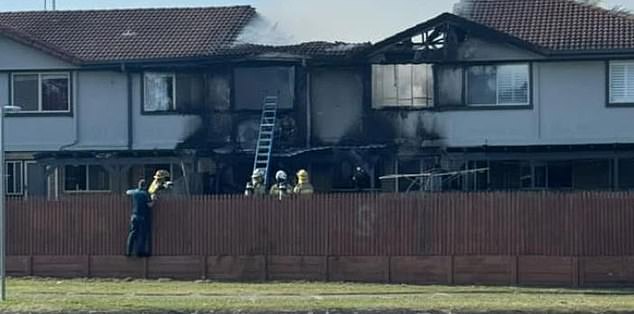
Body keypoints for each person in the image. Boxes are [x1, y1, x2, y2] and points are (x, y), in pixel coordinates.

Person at [126, 179, 153, 257]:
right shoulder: (145, 194)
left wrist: (134, 190)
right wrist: (154, 200)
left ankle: (128, 251)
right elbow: (149, 205)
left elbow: (127, 192)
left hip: (134, 216)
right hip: (142, 217)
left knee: (132, 234)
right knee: (142, 234)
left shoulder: (134, 192)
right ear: (145, 186)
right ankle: (140, 252)